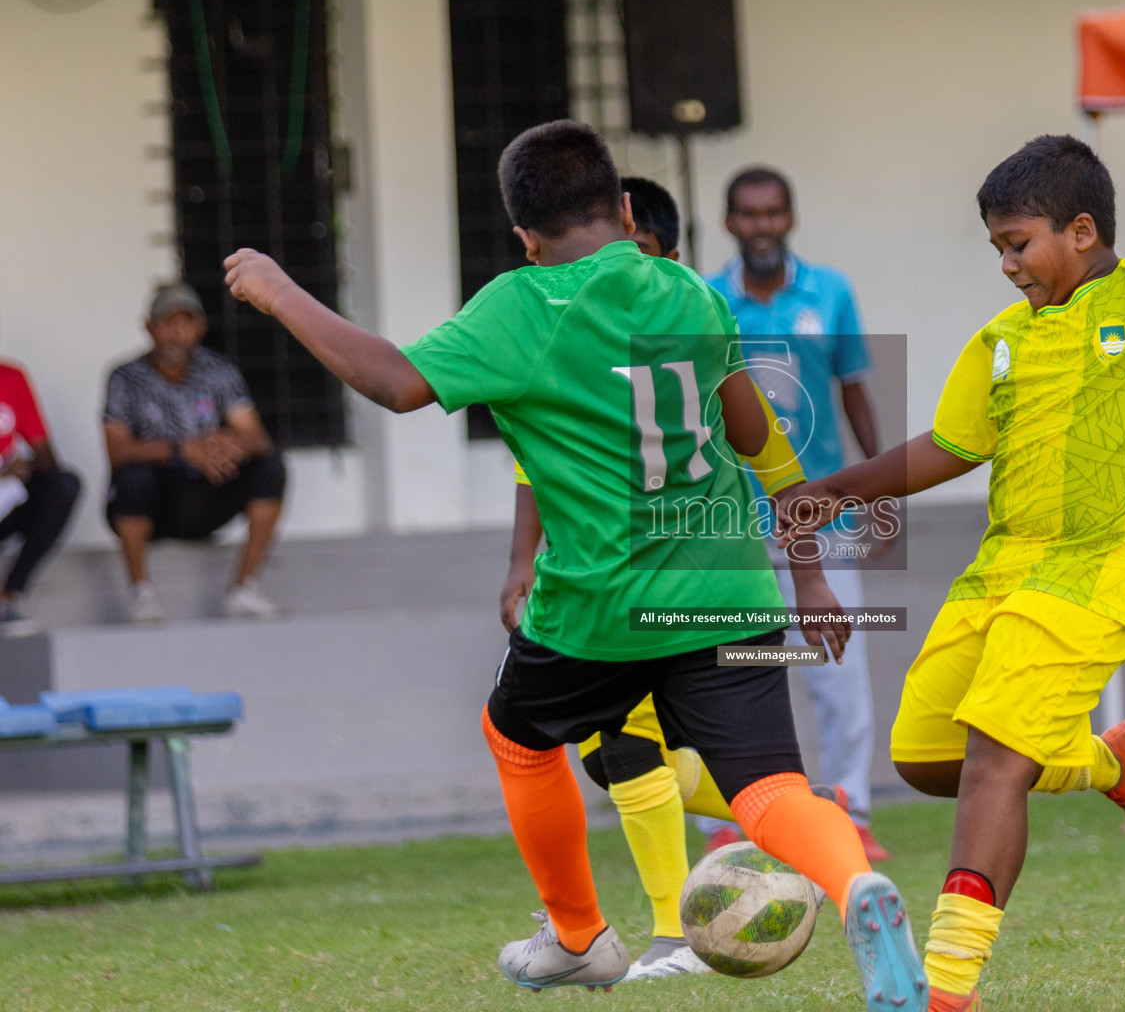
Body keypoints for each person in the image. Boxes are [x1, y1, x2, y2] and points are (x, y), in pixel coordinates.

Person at [223, 121, 927, 1010]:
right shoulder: (687, 292)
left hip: (601, 604)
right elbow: (759, 435)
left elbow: (397, 383)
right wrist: (812, 574)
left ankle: (578, 935)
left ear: (523, 233)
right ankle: (857, 884)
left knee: (517, 737)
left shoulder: (522, 305)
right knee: (769, 786)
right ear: (627, 210)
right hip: (728, 590)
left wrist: (283, 291)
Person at [777, 0, 1125, 1011]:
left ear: (1083, 231)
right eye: (996, 247)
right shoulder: (1002, 338)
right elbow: (947, 448)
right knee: (927, 757)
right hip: (1003, 575)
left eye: (1019, 242)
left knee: (996, 758)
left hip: (1099, 574)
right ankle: (1114, 761)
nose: (1007, 263)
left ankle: (944, 989)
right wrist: (831, 492)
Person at [499, 175, 843, 981]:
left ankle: (670, 934)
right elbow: (534, 466)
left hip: (694, 593)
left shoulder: (692, 330)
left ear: (671, 259)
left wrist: (811, 576)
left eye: (640, 260)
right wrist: (522, 563)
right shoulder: (578, 348)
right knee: (641, 758)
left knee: (621, 746)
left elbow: (770, 450)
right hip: (624, 592)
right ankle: (813, 834)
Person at [700, 165, 891, 862]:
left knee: (838, 668)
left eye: (774, 212)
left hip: (824, 521)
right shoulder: (705, 300)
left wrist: (882, 490)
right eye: (749, 214)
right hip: (730, 527)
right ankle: (724, 820)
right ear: (729, 222)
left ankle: (852, 811)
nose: (763, 226)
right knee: (726, 671)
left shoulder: (831, 293)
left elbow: (853, 392)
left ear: (791, 218)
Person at [103, 284, 286, 623]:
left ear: (201, 327)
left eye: (186, 322)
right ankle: (141, 594)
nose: (177, 333)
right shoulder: (125, 377)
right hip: (154, 503)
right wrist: (182, 450)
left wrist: (222, 442)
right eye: (167, 323)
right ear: (149, 327)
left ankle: (244, 588)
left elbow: (256, 438)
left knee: (270, 467)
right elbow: (117, 451)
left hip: (206, 494)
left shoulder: (218, 370)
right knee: (132, 476)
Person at [0, 357, 81, 636]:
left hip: (5, 504)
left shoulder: (10, 377)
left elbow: (47, 458)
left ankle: (7, 597)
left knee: (63, 486)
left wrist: (24, 466)